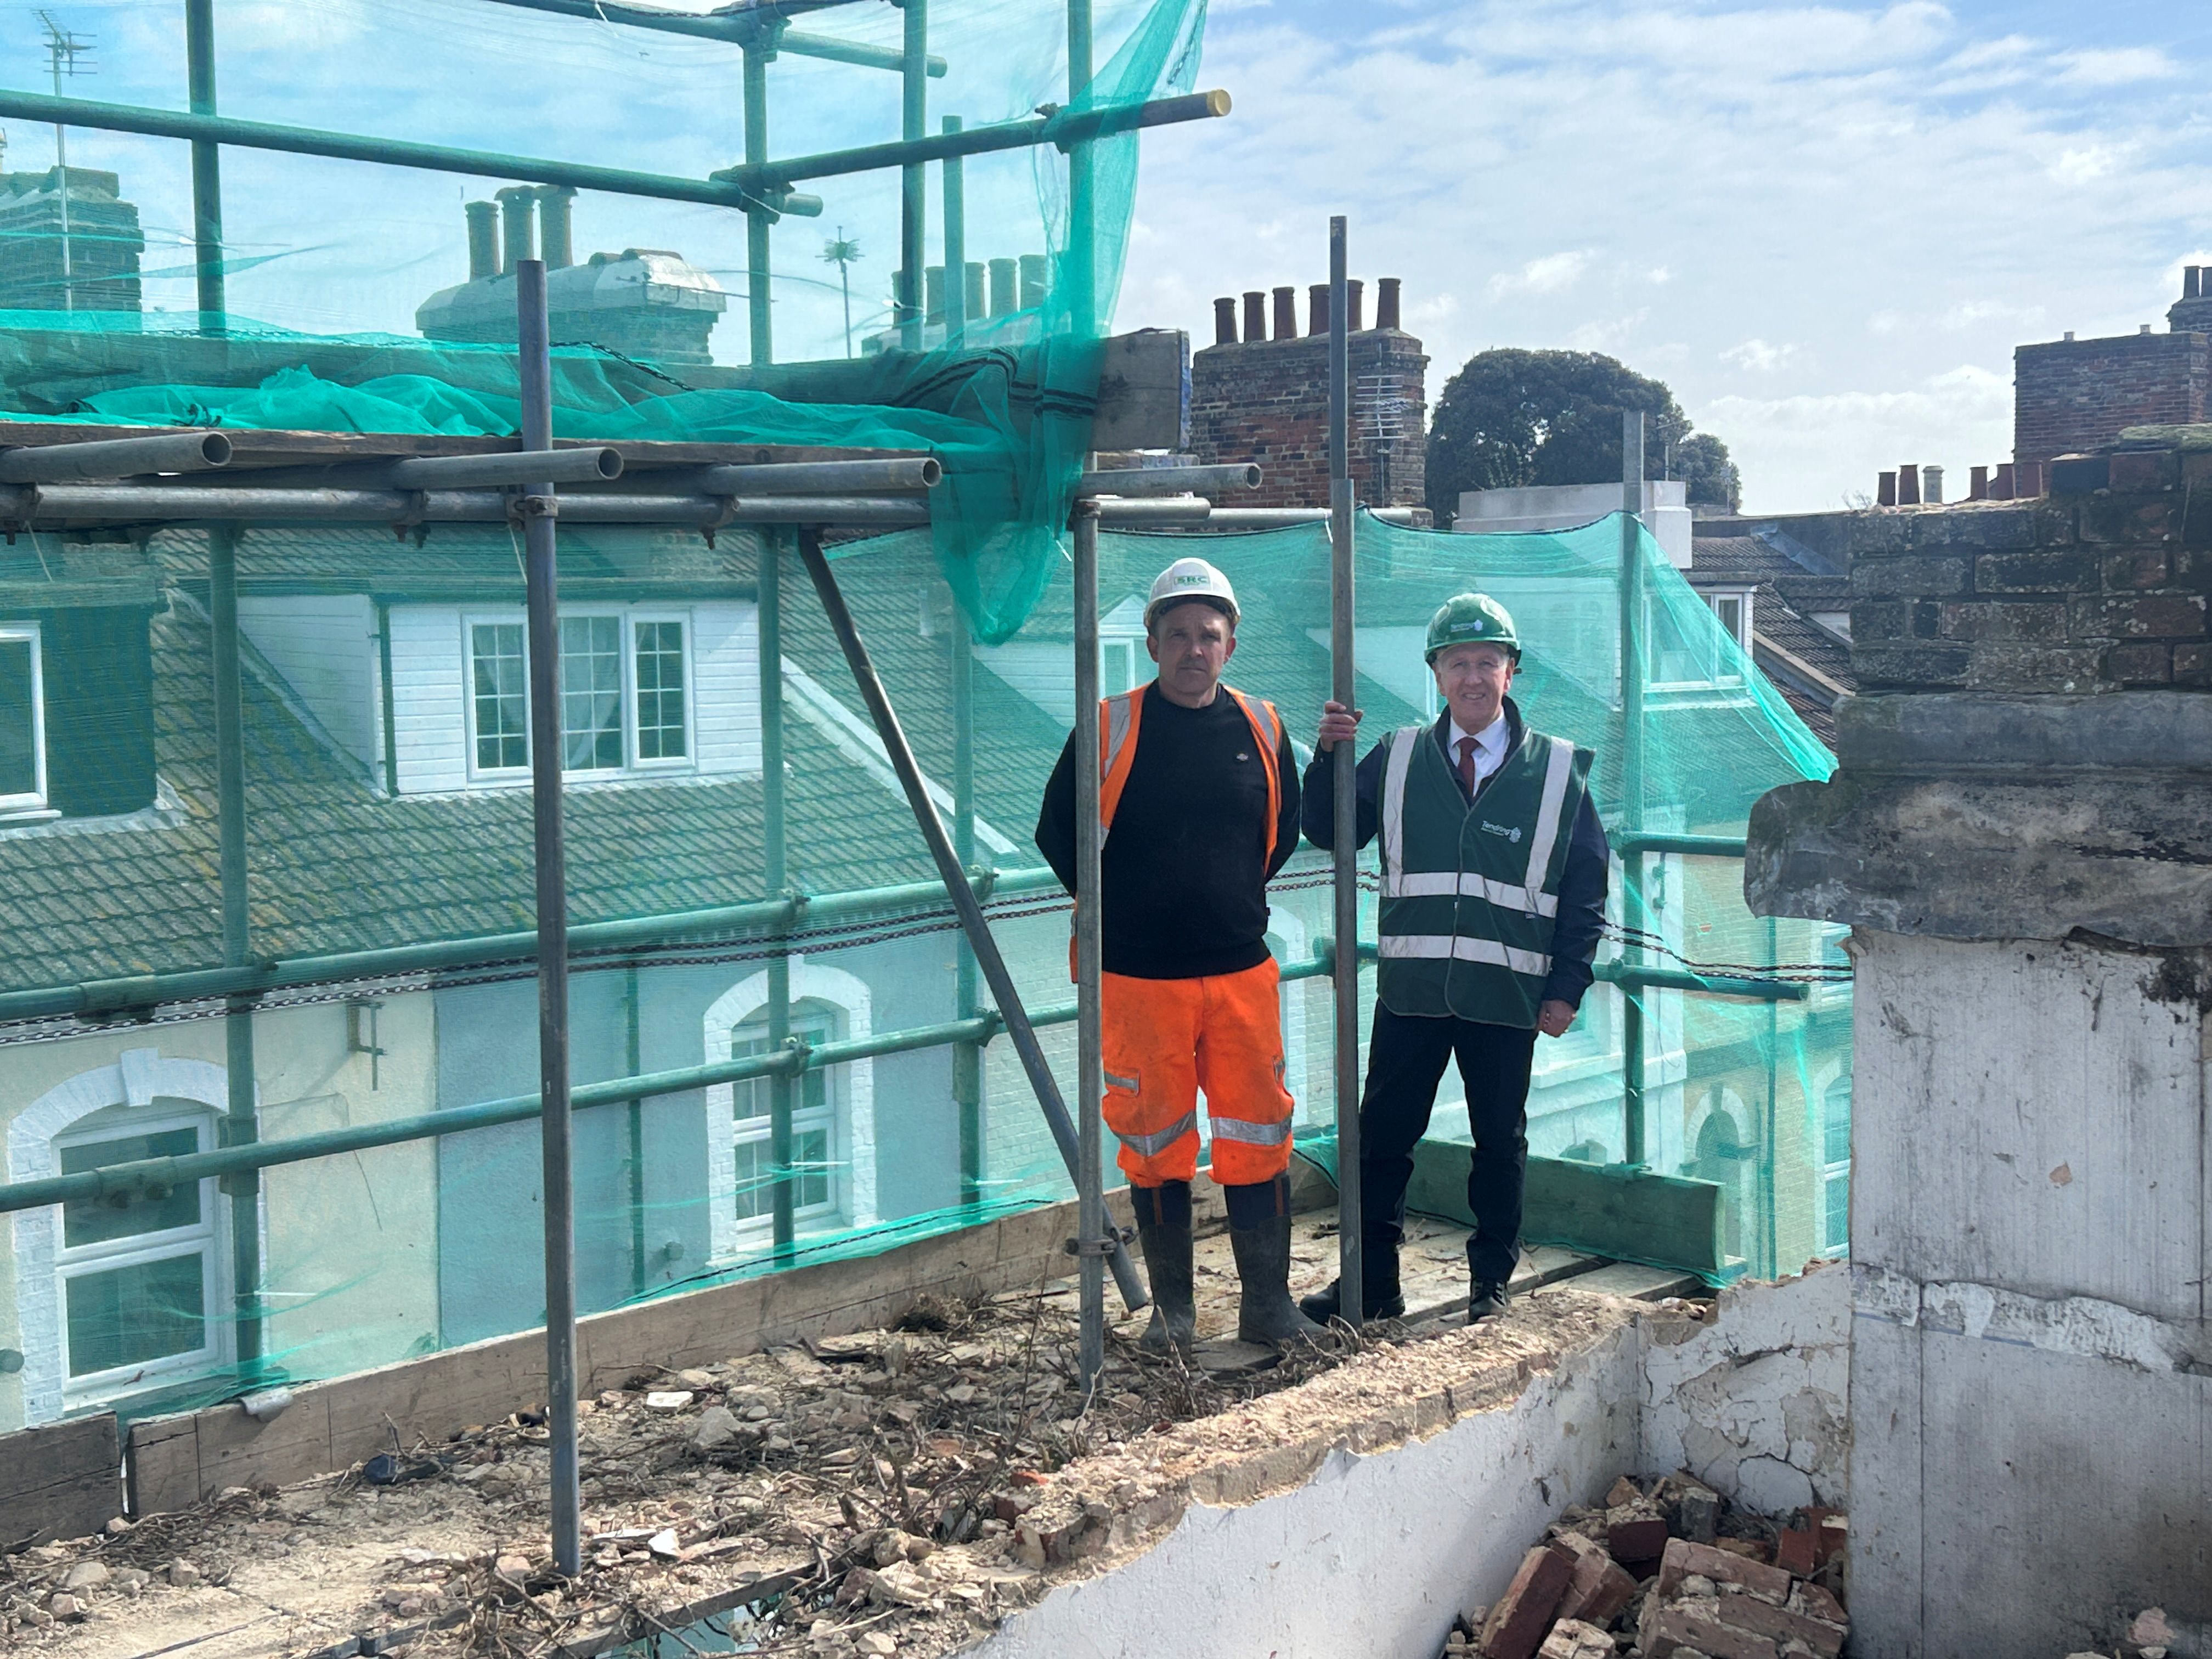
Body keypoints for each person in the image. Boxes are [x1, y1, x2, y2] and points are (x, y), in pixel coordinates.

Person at [1035, 556, 1324, 1352]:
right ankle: (1175, 1316)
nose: (1194, 649)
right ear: (1154, 642)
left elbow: (1281, 833)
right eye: (1179, 635)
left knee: (1259, 1132)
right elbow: (1059, 835)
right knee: (1156, 1142)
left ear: (1230, 645)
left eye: (1210, 635)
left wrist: (1218, 903)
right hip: (1138, 981)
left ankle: (1268, 1306)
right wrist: (1131, 912)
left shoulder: (1263, 727)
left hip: (1239, 972)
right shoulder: (1108, 728)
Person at [1299, 592, 1609, 1324]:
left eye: (1488, 663)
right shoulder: (1397, 756)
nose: (1473, 678)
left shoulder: (1559, 772)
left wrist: (1566, 988)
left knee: (1498, 1145)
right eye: (1458, 663)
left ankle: (1489, 1289)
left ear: (1512, 673)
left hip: (1506, 996)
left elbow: (1586, 888)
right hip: (1413, 991)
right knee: (1382, 1142)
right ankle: (1372, 1287)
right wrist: (1327, 755)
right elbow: (1326, 831)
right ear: (1436, 674)